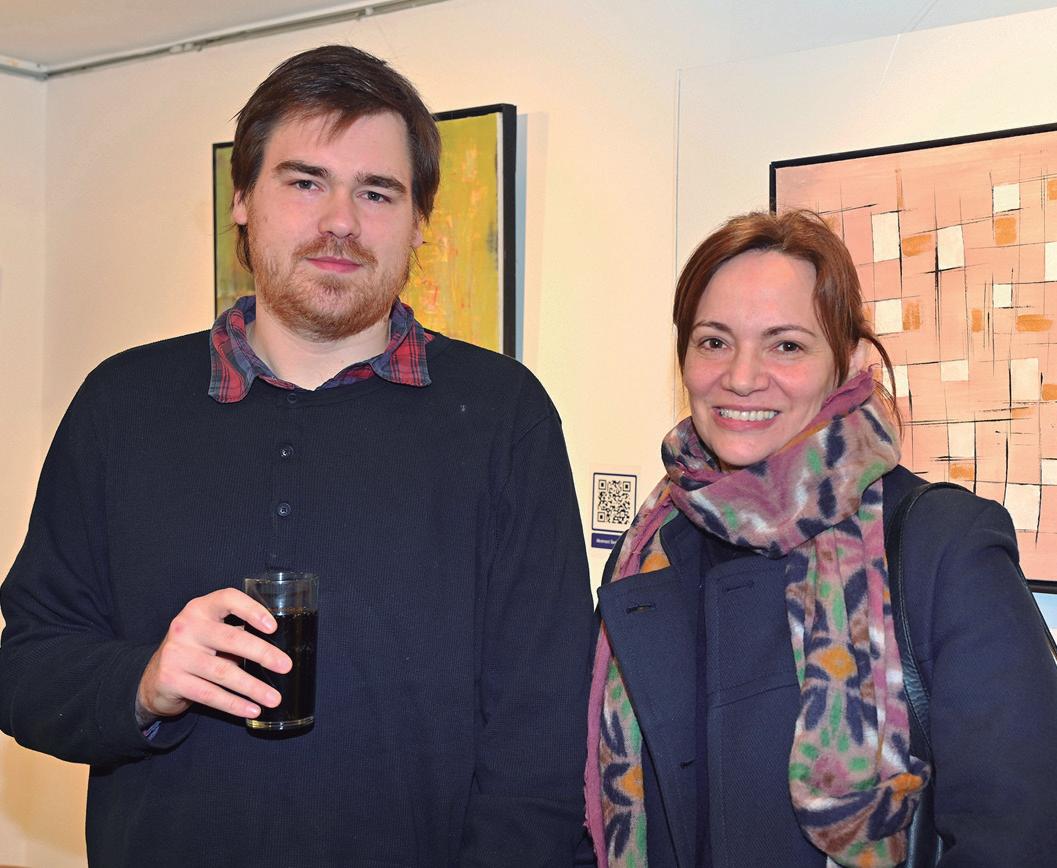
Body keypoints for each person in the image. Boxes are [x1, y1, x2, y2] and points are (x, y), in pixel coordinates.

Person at [0, 45, 594, 867]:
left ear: (420, 221)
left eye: (376, 191)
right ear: (242, 200)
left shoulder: (502, 416)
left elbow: (542, 728)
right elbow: (29, 668)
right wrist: (145, 681)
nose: (341, 221)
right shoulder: (120, 405)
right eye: (305, 182)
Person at [584, 210, 1057, 867]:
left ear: (849, 362)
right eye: (713, 341)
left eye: (786, 346)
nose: (741, 376)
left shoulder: (942, 546)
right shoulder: (648, 552)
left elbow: (1018, 836)